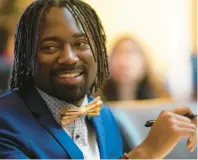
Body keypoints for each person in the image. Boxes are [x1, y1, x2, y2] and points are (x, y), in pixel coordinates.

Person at [0, 0, 197, 159]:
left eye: (81, 43)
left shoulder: (105, 117)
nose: (69, 57)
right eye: (50, 46)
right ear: (26, 57)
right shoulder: (5, 122)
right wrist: (146, 153)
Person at [102, 36, 169, 101]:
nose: (124, 61)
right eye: (118, 53)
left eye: (131, 53)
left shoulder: (160, 95)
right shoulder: (96, 99)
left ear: (144, 62)